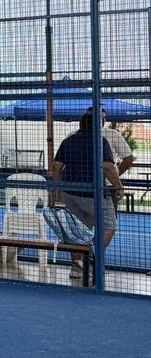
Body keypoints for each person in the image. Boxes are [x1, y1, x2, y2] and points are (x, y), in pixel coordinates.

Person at [52, 108, 121, 280]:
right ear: (100, 124)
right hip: (93, 194)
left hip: (70, 192)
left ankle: (77, 267)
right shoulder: (100, 141)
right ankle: (93, 259)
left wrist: (59, 188)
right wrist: (119, 186)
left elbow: (56, 167)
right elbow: (108, 167)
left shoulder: (69, 141)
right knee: (109, 226)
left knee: (77, 230)